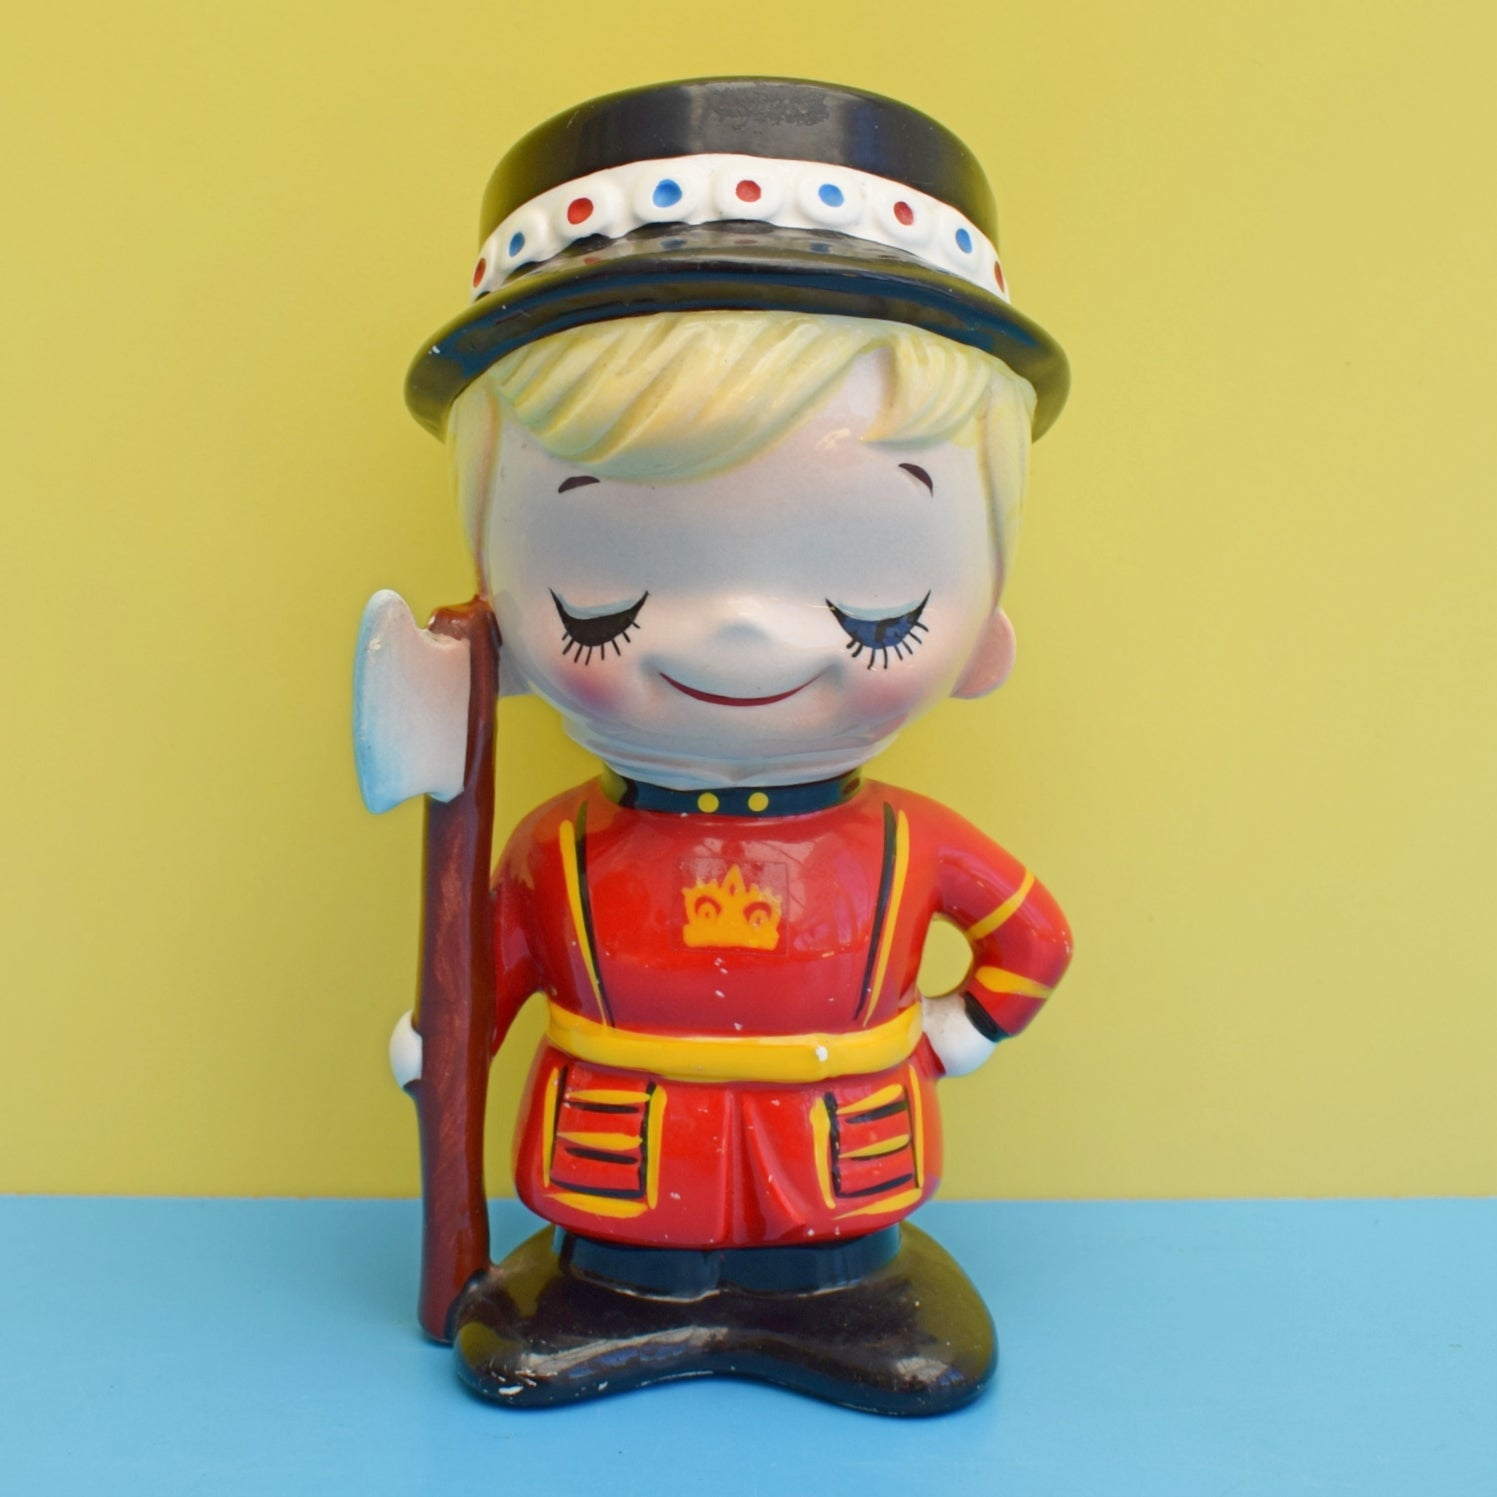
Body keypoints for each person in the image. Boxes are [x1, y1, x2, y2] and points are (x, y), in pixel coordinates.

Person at [362, 78, 1073, 1415]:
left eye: (875, 610)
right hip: (626, 1143)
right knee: (632, 1237)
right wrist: (444, 1029)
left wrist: (957, 1029)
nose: (743, 635)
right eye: (603, 603)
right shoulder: (562, 849)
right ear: (504, 612)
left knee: (835, 1250)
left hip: (837, 1140)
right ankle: (627, 1288)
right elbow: (494, 957)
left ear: (983, 630)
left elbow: (1031, 937)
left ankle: (832, 1292)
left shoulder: (907, 844)